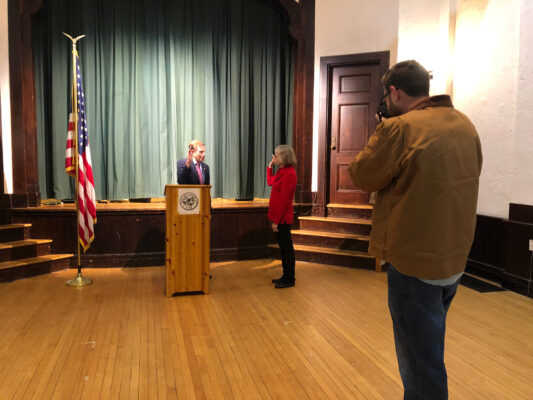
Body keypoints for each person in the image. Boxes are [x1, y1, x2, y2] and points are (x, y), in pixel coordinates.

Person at [348, 60, 482, 399]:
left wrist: (381, 131)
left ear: (394, 92)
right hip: (453, 259)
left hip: (413, 263)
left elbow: (362, 175)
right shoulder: (464, 124)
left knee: (421, 365)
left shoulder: (399, 128)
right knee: (430, 348)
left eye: (385, 96)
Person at [267, 144, 297, 289]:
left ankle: (290, 278)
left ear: (284, 156)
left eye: (277, 155)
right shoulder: (282, 170)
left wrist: (276, 221)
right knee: (283, 248)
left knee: (286, 249)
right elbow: (270, 182)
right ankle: (285, 276)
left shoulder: (290, 174)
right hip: (279, 217)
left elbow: (284, 201)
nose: (275, 157)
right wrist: (270, 167)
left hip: (283, 217)